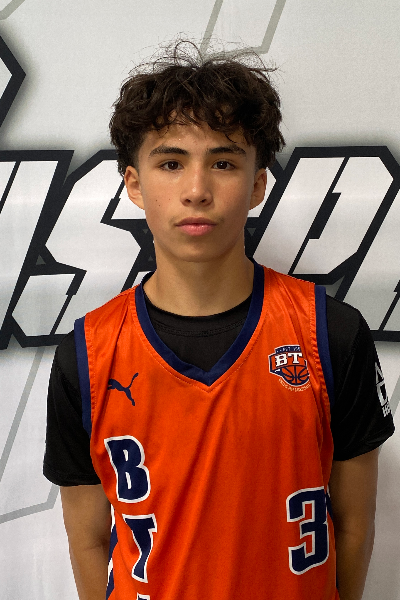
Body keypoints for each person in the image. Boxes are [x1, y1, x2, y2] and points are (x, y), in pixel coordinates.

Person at [44, 41, 394, 600]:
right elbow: (88, 541)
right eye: (171, 163)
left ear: (257, 184)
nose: (197, 191)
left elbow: (354, 525)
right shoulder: (86, 353)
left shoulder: (332, 333)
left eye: (224, 163)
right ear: (133, 184)